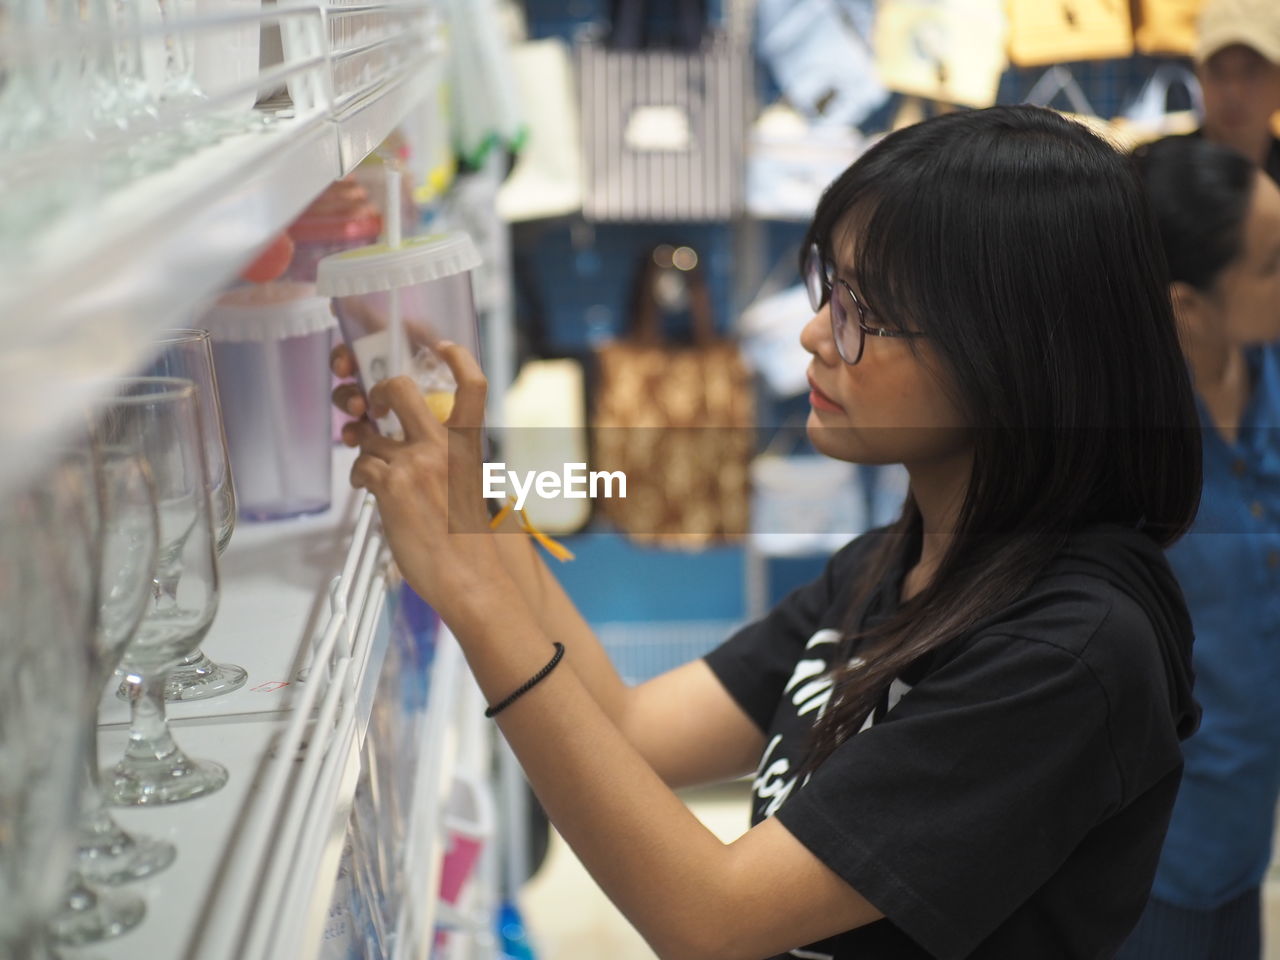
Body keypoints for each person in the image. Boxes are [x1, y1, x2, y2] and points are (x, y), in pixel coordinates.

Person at [331, 105, 1203, 959]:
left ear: (1011, 354)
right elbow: (633, 729)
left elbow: (712, 921)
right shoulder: (896, 566)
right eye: (831, 286)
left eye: (864, 310)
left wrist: (474, 595)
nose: (814, 333)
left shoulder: (1069, 652)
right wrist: (472, 500)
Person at [1120, 136, 1280, 959]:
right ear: (1189, 306)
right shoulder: (1121, 455)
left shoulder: (1269, 379)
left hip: (1244, 840)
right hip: (1148, 868)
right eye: (1271, 264)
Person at [1193, 0, 1280, 183]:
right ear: (1200, 76)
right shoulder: (1155, 176)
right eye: (1217, 70)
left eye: (1251, 72)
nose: (1232, 92)